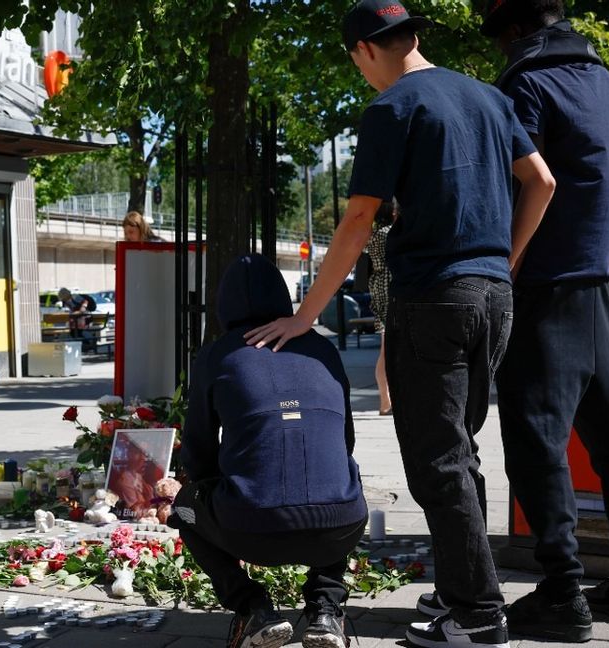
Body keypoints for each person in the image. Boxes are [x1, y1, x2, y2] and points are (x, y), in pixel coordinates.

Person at [245, 2, 556, 646]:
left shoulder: (393, 108)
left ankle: (475, 616)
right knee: (460, 452)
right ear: (413, 36)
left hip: (433, 298)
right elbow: (543, 182)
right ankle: (460, 592)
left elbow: (358, 221)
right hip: (493, 295)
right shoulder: (489, 99)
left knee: (437, 461)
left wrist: (306, 315)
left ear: (362, 50)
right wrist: (506, 260)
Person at [481, 0, 609, 640]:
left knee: (535, 443)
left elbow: (523, 183)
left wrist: (504, 266)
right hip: (599, 285)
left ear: (518, 31)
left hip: (544, 287)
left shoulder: (526, 84)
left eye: (502, 36)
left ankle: (561, 592)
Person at [172, 253, 366, 648]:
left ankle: (252, 608)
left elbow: (199, 449)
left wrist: (220, 487)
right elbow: (343, 439)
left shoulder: (218, 355)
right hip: (341, 524)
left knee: (183, 509)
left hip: (251, 527)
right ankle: (325, 611)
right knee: (337, 481)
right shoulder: (323, 350)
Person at [364, 201, 394, 416]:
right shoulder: (390, 233)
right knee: (389, 350)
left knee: (385, 349)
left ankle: (385, 400)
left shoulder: (374, 234)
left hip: (378, 287)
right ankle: (386, 400)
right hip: (391, 288)